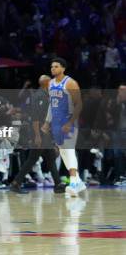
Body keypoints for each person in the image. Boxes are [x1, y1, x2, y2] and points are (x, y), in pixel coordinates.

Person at [10, 75, 66, 194]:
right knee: (32, 159)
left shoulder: (46, 95)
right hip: (39, 133)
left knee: (50, 158)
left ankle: (58, 184)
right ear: (45, 83)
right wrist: (37, 135)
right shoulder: (39, 96)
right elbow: (36, 118)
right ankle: (16, 183)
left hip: (45, 133)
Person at [41, 58, 86, 196]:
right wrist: (47, 122)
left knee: (69, 149)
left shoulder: (71, 83)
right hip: (56, 122)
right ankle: (78, 181)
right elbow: (51, 105)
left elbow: (79, 105)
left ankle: (73, 181)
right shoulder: (50, 84)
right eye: (51, 66)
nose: (53, 69)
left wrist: (70, 122)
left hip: (68, 121)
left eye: (56, 66)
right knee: (63, 152)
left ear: (63, 68)